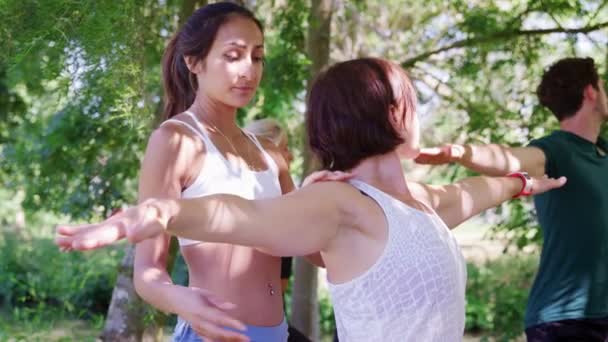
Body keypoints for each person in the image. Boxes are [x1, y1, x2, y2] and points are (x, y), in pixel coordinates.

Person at [56, 57, 566, 342]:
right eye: (410, 98)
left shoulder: (421, 202)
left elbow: (475, 191)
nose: (419, 109)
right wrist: (144, 216)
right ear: (388, 110)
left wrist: (523, 184)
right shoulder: (339, 204)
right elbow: (237, 215)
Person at [88, 3, 304, 341]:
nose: (249, 70)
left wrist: (340, 185)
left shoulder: (272, 153)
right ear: (194, 61)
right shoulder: (174, 141)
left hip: (277, 333)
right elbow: (147, 272)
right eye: (233, 56)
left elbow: (314, 244)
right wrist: (180, 299)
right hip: (211, 335)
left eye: (257, 57)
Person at [414, 57, 608, 341]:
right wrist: (460, 153)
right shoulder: (555, 151)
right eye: (603, 86)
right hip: (563, 323)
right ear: (591, 92)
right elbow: (510, 159)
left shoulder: (603, 152)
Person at [244, 118, 311, 342]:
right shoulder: (254, 207)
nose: (291, 156)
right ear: (265, 156)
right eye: (284, 149)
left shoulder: (285, 207)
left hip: (273, 324)